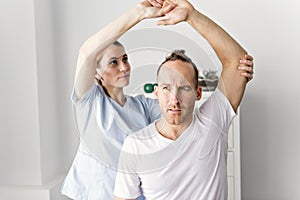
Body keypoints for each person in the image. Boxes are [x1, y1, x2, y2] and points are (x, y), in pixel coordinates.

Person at [61, 1, 254, 200]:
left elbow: (177, 111)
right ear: (97, 72)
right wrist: (140, 13)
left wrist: (192, 17)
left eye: (125, 59)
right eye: (113, 62)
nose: (124, 67)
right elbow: (86, 53)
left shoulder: (143, 107)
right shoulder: (90, 102)